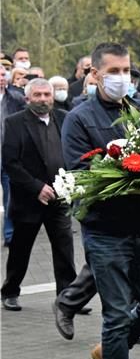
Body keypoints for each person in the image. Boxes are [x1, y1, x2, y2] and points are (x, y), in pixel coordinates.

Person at [61, 42, 140, 359]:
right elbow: (80, 175)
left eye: (127, 70)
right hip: (105, 233)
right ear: (94, 73)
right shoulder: (79, 119)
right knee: (117, 314)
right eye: (114, 71)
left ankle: (109, 350)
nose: (123, 78)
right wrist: (127, 168)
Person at [1, 78, 76, 311]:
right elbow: (11, 163)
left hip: (59, 198)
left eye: (46, 95)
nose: (43, 99)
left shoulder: (64, 118)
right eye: (38, 95)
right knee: (20, 250)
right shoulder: (14, 123)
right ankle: (10, 292)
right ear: (27, 98)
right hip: (28, 200)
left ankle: (68, 297)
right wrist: (37, 187)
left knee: (65, 250)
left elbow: (72, 153)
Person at [1, 66, 27, 246]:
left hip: (8, 156)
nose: (1, 78)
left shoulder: (16, 99)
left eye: (3, 74)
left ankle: (10, 235)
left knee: (10, 197)